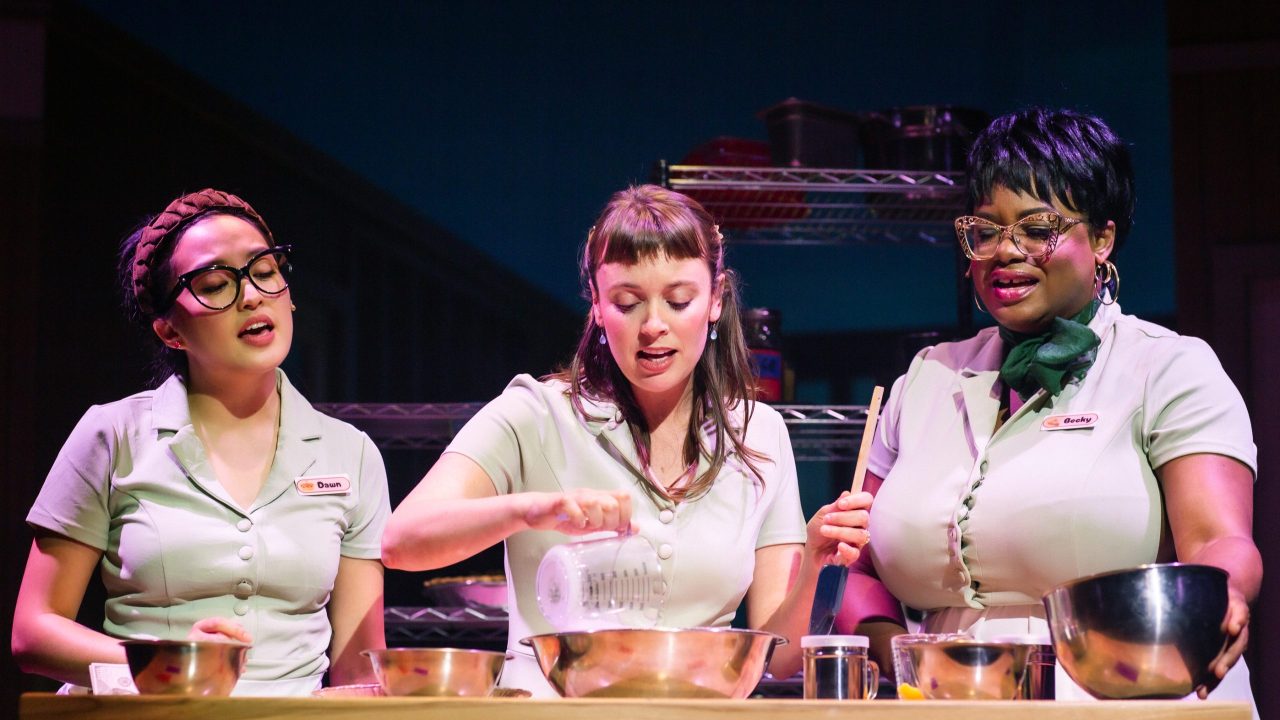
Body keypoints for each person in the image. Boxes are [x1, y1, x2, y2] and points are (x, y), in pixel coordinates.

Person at [836, 108, 1261, 710]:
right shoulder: (926, 377)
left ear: (1104, 239)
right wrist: (900, 660)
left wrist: (1224, 593)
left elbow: (1220, 540)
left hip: (1128, 699)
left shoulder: (1166, 367)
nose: (1007, 251)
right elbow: (861, 566)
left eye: (1038, 228)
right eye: (985, 230)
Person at [382, 184, 872, 696]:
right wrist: (532, 510)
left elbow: (782, 656)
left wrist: (815, 558)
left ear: (716, 300)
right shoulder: (536, 414)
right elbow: (401, 542)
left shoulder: (759, 433)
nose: (653, 326)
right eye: (627, 302)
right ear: (595, 304)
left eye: (679, 300)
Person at [12, 189, 391, 696]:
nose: (252, 295)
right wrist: (169, 664)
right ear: (170, 332)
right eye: (215, 283)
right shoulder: (113, 434)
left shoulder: (352, 452)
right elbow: (33, 631)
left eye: (264, 271)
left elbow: (358, 670)